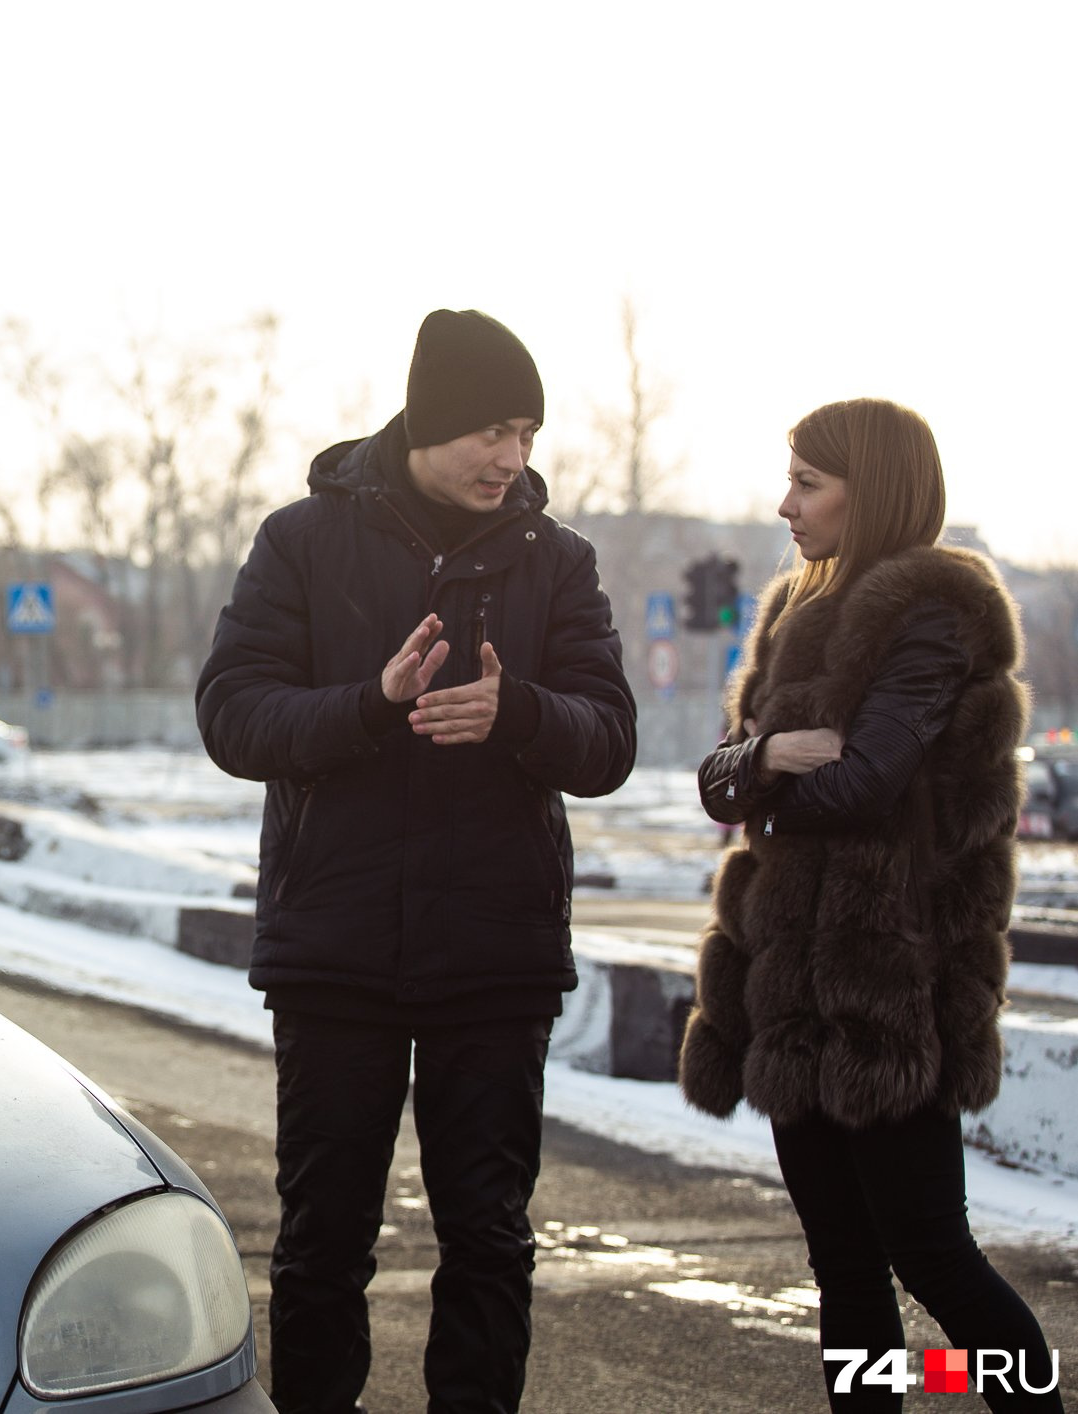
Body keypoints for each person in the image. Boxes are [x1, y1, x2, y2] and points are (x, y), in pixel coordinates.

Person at [196, 309, 637, 1414]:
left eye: (528, 433)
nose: (513, 457)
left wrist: (519, 710)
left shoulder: (558, 561)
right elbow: (233, 717)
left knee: (488, 1237)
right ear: (431, 422)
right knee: (323, 1242)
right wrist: (370, 703)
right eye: (493, 428)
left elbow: (610, 738)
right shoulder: (302, 540)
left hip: (496, 956)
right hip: (335, 948)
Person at [680, 398, 1062, 1412]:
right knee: (844, 1274)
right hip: (790, 994)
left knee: (934, 1257)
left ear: (873, 487)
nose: (785, 503)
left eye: (808, 482)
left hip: (893, 989)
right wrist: (769, 754)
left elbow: (867, 785)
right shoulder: (795, 611)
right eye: (790, 478)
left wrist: (767, 771)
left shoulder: (934, 615)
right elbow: (718, 784)